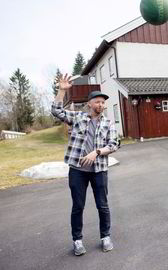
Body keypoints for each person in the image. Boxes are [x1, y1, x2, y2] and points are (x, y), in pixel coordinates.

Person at [51, 74, 119, 256]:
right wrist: (61, 91)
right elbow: (56, 111)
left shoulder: (108, 122)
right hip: (78, 171)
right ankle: (77, 241)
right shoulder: (78, 117)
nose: (101, 105)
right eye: (97, 102)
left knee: (102, 205)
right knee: (78, 206)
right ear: (89, 103)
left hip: (99, 170)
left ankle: (105, 237)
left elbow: (114, 144)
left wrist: (96, 152)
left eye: (103, 103)